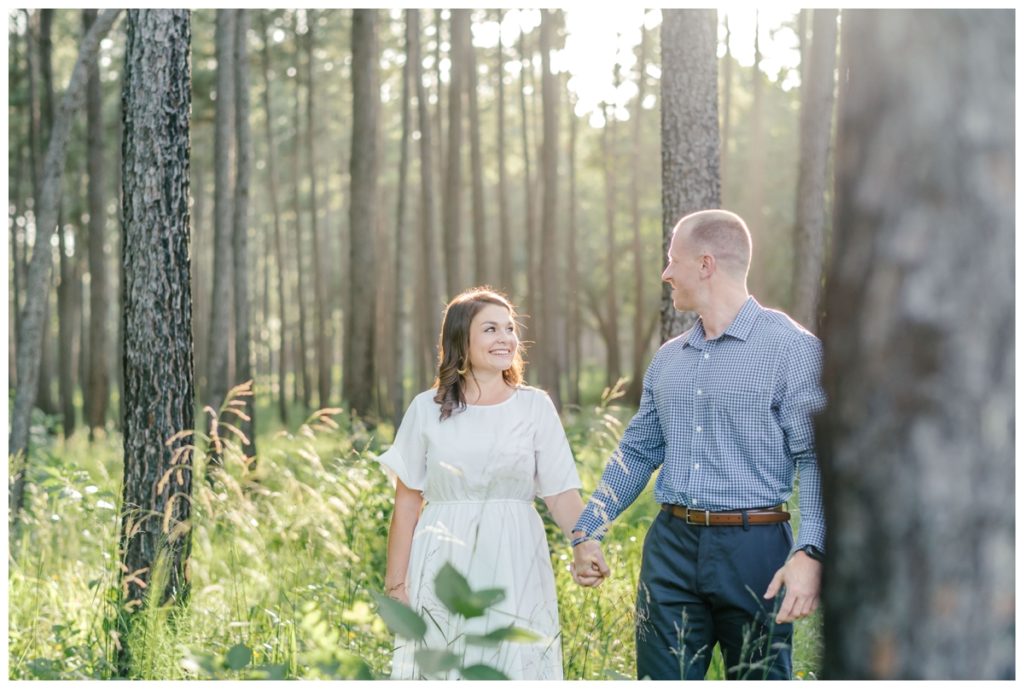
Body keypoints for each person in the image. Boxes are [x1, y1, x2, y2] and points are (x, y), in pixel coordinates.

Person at [570, 210, 826, 680]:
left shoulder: (791, 349)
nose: (666, 274)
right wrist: (589, 530)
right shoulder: (669, 359)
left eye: (673, 260)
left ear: (705, 264)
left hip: (756, 551)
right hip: (671, 549)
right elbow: (637, 452)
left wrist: (809, 553)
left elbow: (816, 459)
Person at [377, 287, 606, 680]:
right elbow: (407, 504)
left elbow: (561, 494)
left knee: (513, 661)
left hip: (515, 553)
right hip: (442, 553)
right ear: (460, 341)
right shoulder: (425, 410)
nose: (505, 338)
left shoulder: (533, 406)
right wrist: (397, 587)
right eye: (490, 329)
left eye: (510, 328)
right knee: (442, 660)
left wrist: (586, 545)